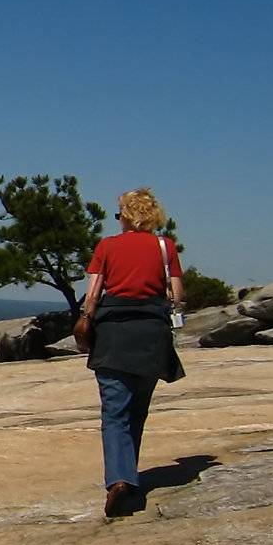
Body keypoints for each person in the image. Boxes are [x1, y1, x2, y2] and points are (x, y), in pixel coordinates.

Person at [80, 189, 186, 518]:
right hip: (151, 335)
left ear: (125, 215)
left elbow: (93, 292)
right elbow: (177, 295)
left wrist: (86, 320)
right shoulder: (164, 247)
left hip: (113, 333)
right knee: (137, 411)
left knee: (114, 412)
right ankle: (129, 477)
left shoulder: (108, 246)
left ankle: (119, 480)